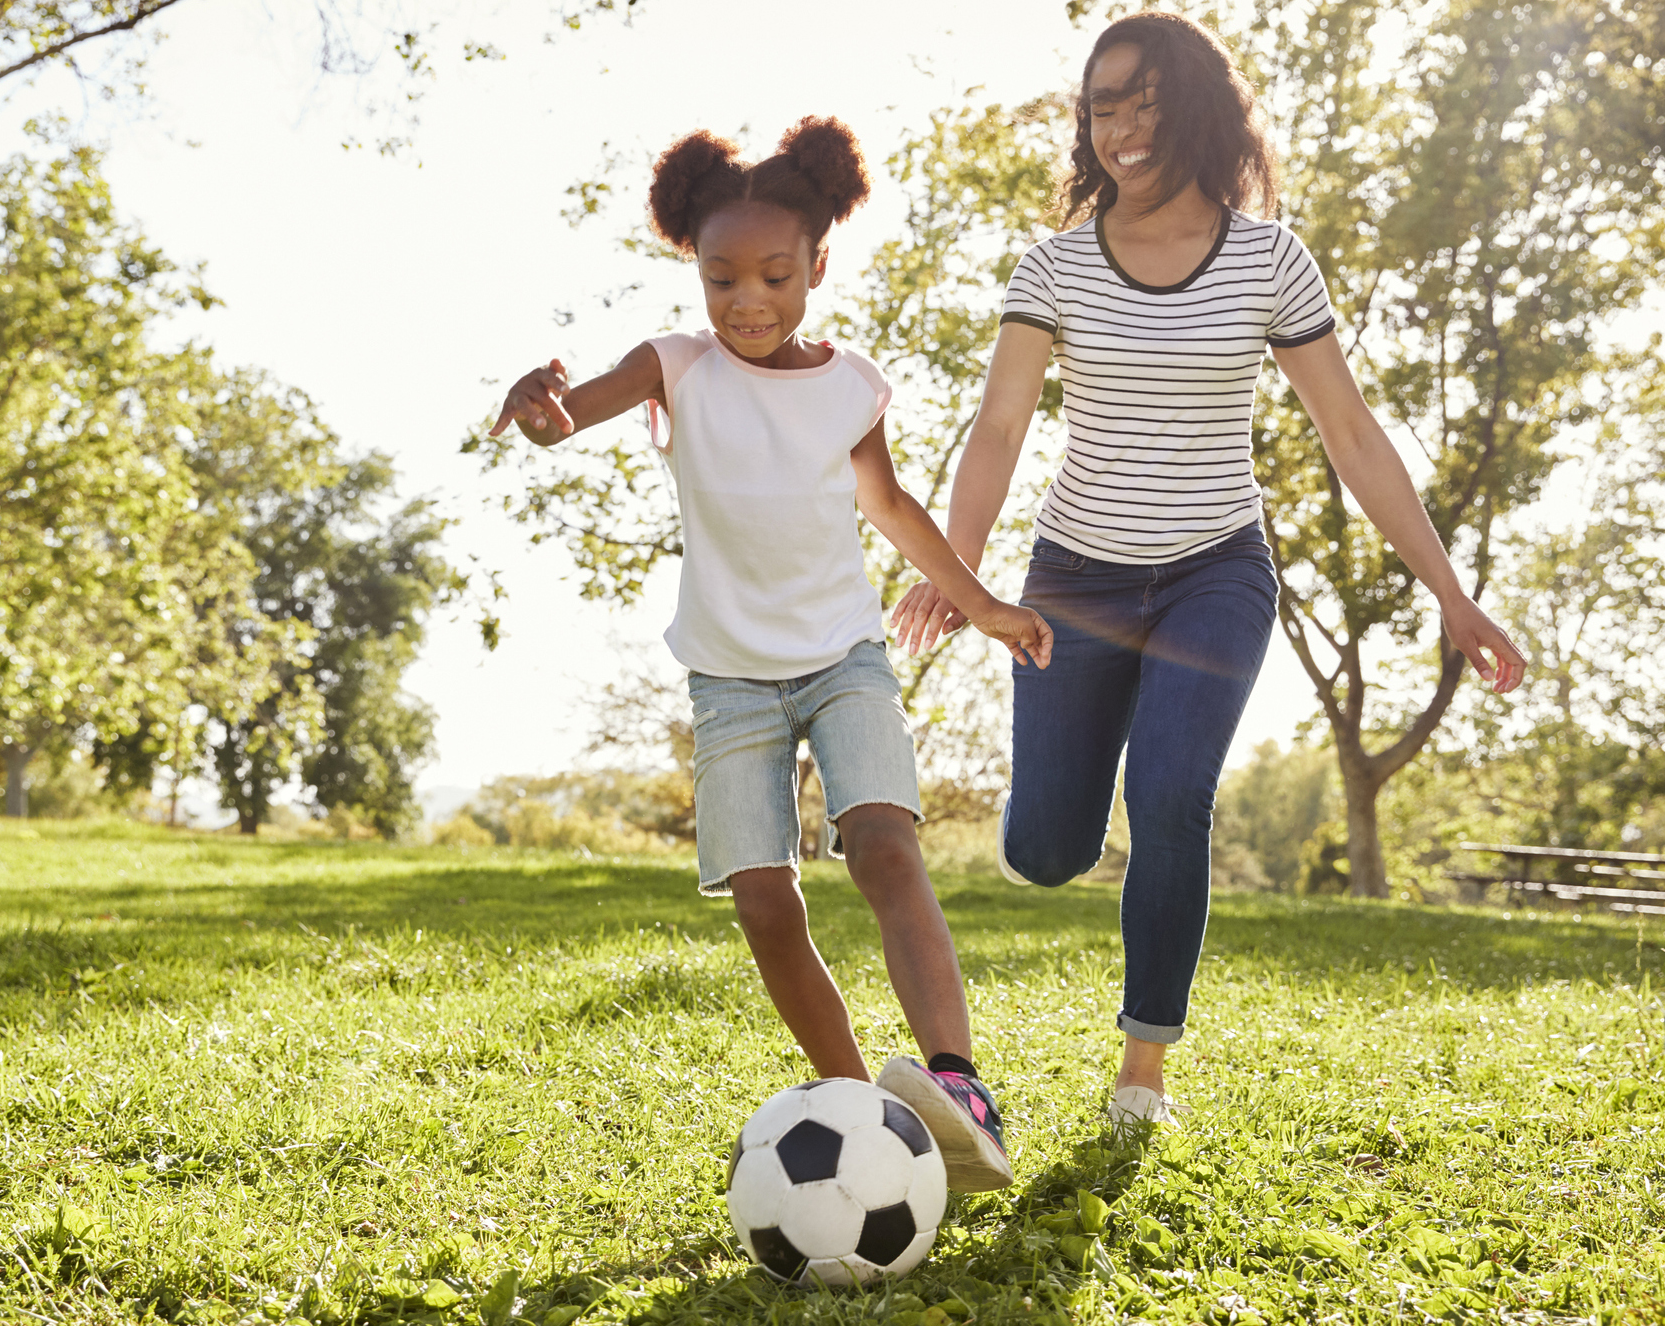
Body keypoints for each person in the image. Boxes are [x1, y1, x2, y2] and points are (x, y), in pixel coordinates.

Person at [890, 13, 1527, 1129]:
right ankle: (1063, 833)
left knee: (1172, 796)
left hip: (1213, 574)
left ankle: (1144, 1071)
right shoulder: (1054, 268)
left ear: (1193, 106)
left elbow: (1353, 434)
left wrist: (1450, 592)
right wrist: (962, 568)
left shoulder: (1269, 258)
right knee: (1045, 852)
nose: (1124, 128)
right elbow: (997, 430)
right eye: (1103, 106)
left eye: (1144, 100)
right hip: (1074, 581)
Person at [487, 117, 1054, 1191]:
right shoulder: (676, 367)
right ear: (693, 273)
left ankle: (958, 1084)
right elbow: (570, 420)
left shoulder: (851, 386)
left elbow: (889, 504)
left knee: (885, 845)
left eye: (775, 275)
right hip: (731, 678)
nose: (748, 301)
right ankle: (864, 1114)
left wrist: (979, 604)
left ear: (818, 266)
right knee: (764, 903)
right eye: (722, 278)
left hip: (843, 656)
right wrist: (539, 406)